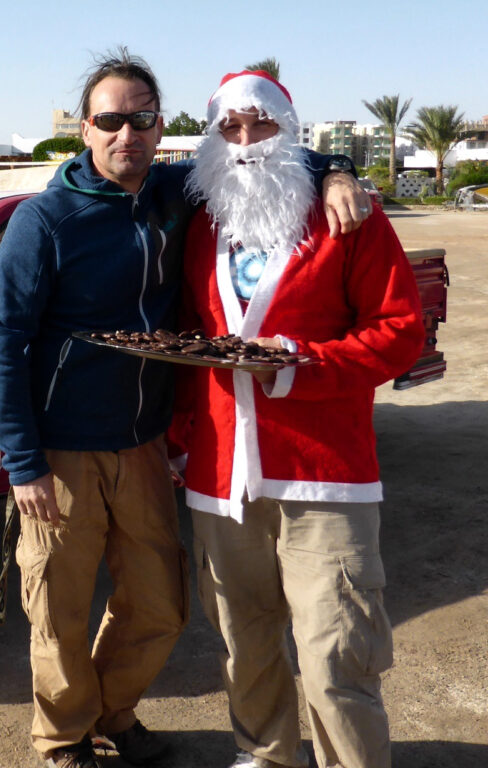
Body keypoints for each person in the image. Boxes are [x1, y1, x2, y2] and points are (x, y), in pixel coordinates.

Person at [0, 49, 371, 768]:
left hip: (144, 446)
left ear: (163, 128)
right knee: (58, 610)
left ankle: (111, 714)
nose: (127, 133)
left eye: (143, 119)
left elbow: (266, 153)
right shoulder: (46, 221)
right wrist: (21, 463)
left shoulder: (173, 192)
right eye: (110, 120)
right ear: (85, 131)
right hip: (60, 451)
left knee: (160, 603)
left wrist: (339, 169)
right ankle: (64, 738)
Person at [175, 70, 425, 768]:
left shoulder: (346, 217)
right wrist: (179, 442)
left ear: (292, 132)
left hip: (326, 477)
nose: (247, 142)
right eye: (231, 128)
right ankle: (266, 756)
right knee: (244, 641)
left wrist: (294, 361)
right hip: (223, 477)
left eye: (262, 125)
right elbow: (189, 336)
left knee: (335, 652)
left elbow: (400, 331)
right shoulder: (199, 221)